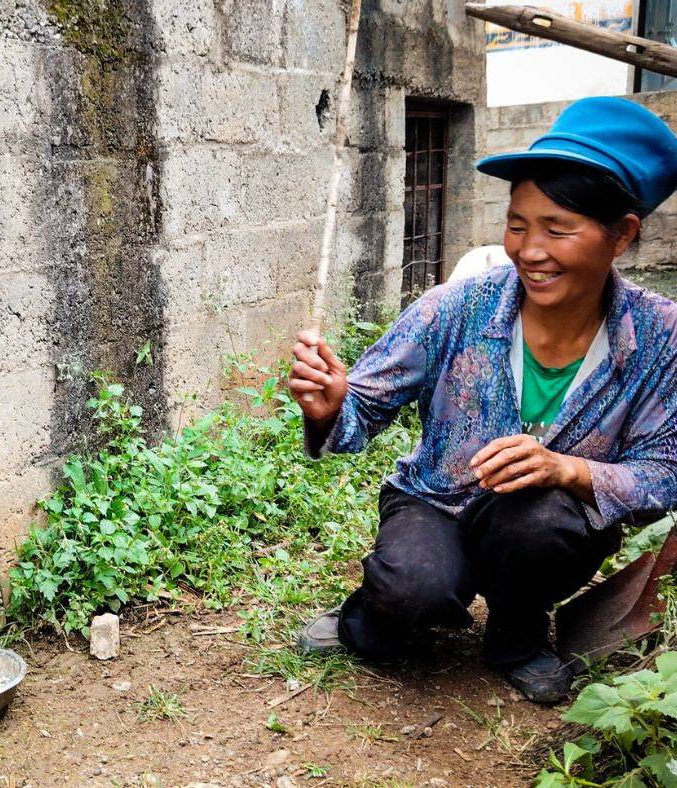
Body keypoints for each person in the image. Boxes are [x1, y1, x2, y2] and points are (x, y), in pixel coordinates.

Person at [287, 96, 677, 704]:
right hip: (434, 502)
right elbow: (363, 404)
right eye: (517, 224)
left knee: (541, 520)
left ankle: (517, 637)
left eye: (558, 228)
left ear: (622, 235)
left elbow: (666, 470)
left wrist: (567, 469)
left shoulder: (659, 337)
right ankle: (376, 613)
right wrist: (333, 403)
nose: (530, 250)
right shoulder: (458, 306)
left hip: (546, 526)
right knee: (411, 590)